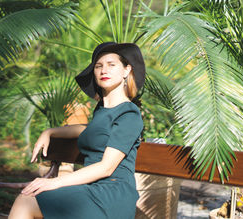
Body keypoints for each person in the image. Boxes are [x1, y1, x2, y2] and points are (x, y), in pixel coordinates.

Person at [9, 42, 146, 219]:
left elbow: (106, 168)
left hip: (110, 194)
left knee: (27, 200)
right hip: (90, 189)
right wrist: (50, 132)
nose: (104, 70)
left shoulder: (129, 114)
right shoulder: (102, 112)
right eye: (99, 66)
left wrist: (54, 182)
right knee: (27, 198)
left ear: (126, 70)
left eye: (111, 65)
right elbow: (88, 131)